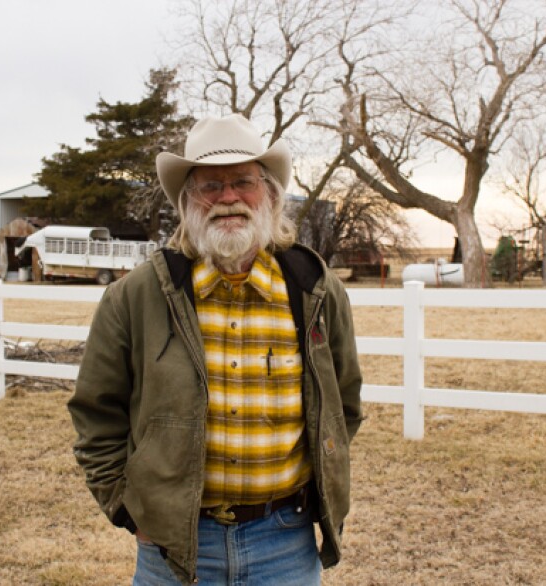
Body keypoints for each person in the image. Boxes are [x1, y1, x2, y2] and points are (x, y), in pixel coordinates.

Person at [67, 114, 363, 585]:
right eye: (210, 186)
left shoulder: (313, 289)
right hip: (174, 548)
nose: (228, 199)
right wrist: (129, 512)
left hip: (284, 543)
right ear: (187, 201)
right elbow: (96, 415)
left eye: (243, 182)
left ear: (268, 194)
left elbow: (342, 405)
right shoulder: (138, 295)